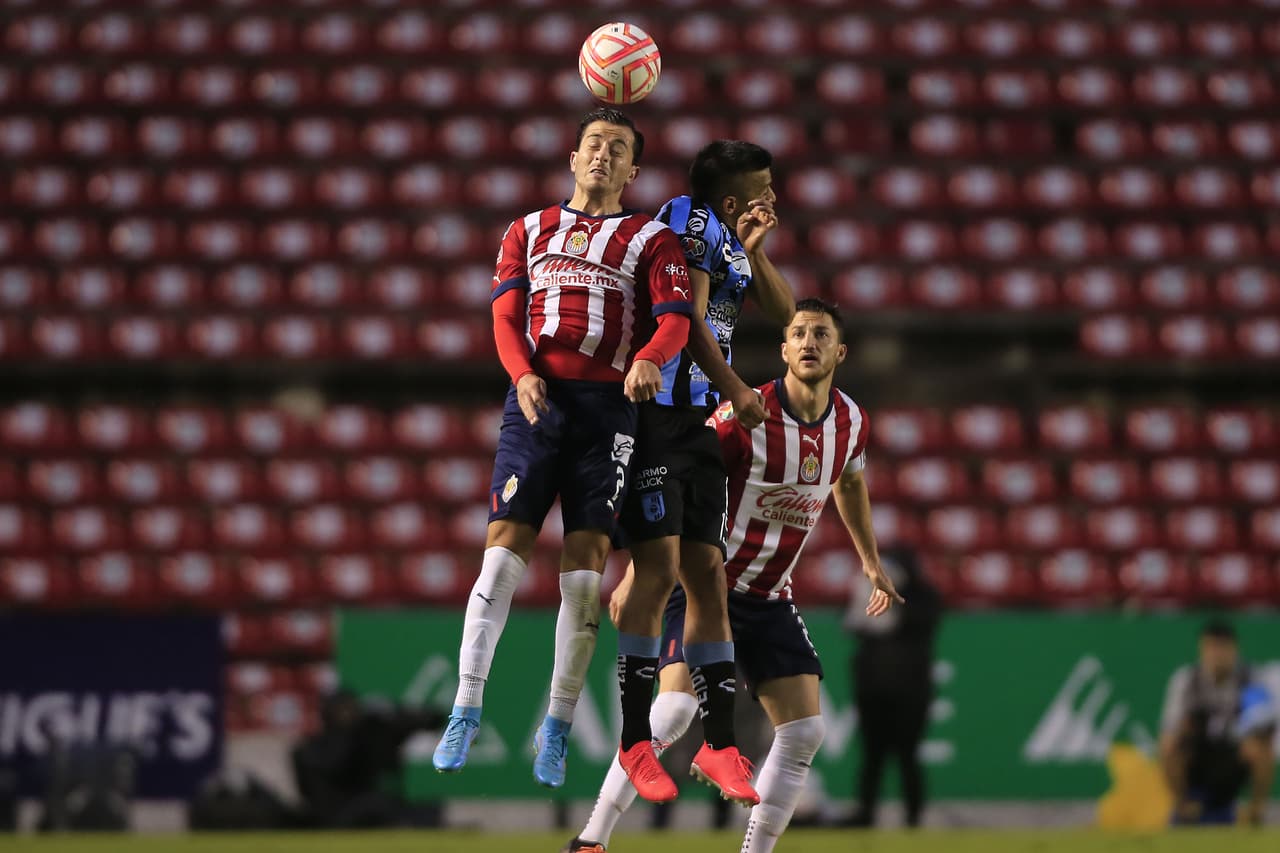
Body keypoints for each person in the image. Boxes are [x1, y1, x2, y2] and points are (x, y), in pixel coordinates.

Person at [564, 299, 904, 853]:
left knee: (804, 732)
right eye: (798, 333)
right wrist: (637, 569)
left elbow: (849, 481)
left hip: (770, 597)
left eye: (821, 334)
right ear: (784, 349)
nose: (809, 341)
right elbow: (672, 471)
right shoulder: (748, 413)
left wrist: (870, 559)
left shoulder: (852, 421)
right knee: (672, 710)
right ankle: (590, 840)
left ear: (839, 351)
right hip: (706, 588)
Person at [432, 107, 693, 788]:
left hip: (608, 412)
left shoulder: (651, 238)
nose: (603, 155)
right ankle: (465, 705)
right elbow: (503, 316)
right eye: (593, 145)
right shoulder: (528, 229)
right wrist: (520, 375)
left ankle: (556, 725)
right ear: (573, 157)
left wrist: (651, 359)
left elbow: (675, 321)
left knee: (582, 583)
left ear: (634, 170)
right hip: (538, 402)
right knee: (499, 564)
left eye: (618, 149)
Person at [613, 140, 796, 806]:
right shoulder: (688, 222)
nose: (773, 198)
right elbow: (681, 317)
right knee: (658, 572)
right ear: (731, 198)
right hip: (654, 412)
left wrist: (759, 250)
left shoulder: (730, 240)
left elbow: (784, 313)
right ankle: (635, 738)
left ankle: (718, 745)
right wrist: (736, 388)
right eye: (765, 188)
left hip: (693, 427)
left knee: (706, 582)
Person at [843, 547, 942, 828]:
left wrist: (894, 596)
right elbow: (853, 624)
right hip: (873, 690)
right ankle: (865, 813)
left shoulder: (924, 596)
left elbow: (920, 622)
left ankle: (913, 816)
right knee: (872, 756)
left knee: (908, 755)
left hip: (910, 693)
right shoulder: (869, 594)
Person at [1159, 618, 1275, 826]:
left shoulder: (1251, 678)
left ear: (1234, 649)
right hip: (1198, 758)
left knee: (1260, 750)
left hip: (1233, 755)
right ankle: (1184, 807)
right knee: (1168, 747)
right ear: (1201, 648)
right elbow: (1170, 728)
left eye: (1223, 647)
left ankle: (1255, 813)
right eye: (1212, 647)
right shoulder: (1186, 680)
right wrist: (1185, 732)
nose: (1218, 654)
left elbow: (1262, 728)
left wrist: (1242, 734)